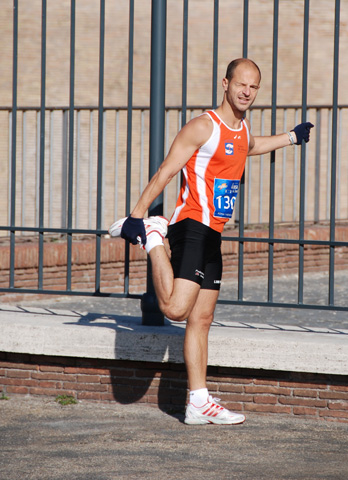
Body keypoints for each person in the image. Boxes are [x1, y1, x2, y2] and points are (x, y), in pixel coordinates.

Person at [109, 58, 313, 425]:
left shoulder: (240, 129)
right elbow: (165, 171)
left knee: (201, 319)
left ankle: (198, 402)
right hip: (191, 227)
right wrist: (137, 217)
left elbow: (250, 146)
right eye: (241, 84)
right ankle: (154, 237)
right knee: (175, 310)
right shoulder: (203, 126)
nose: (247, 91)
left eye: (254, 87)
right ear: (225, 83)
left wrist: (291, 138)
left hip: (214, 234)